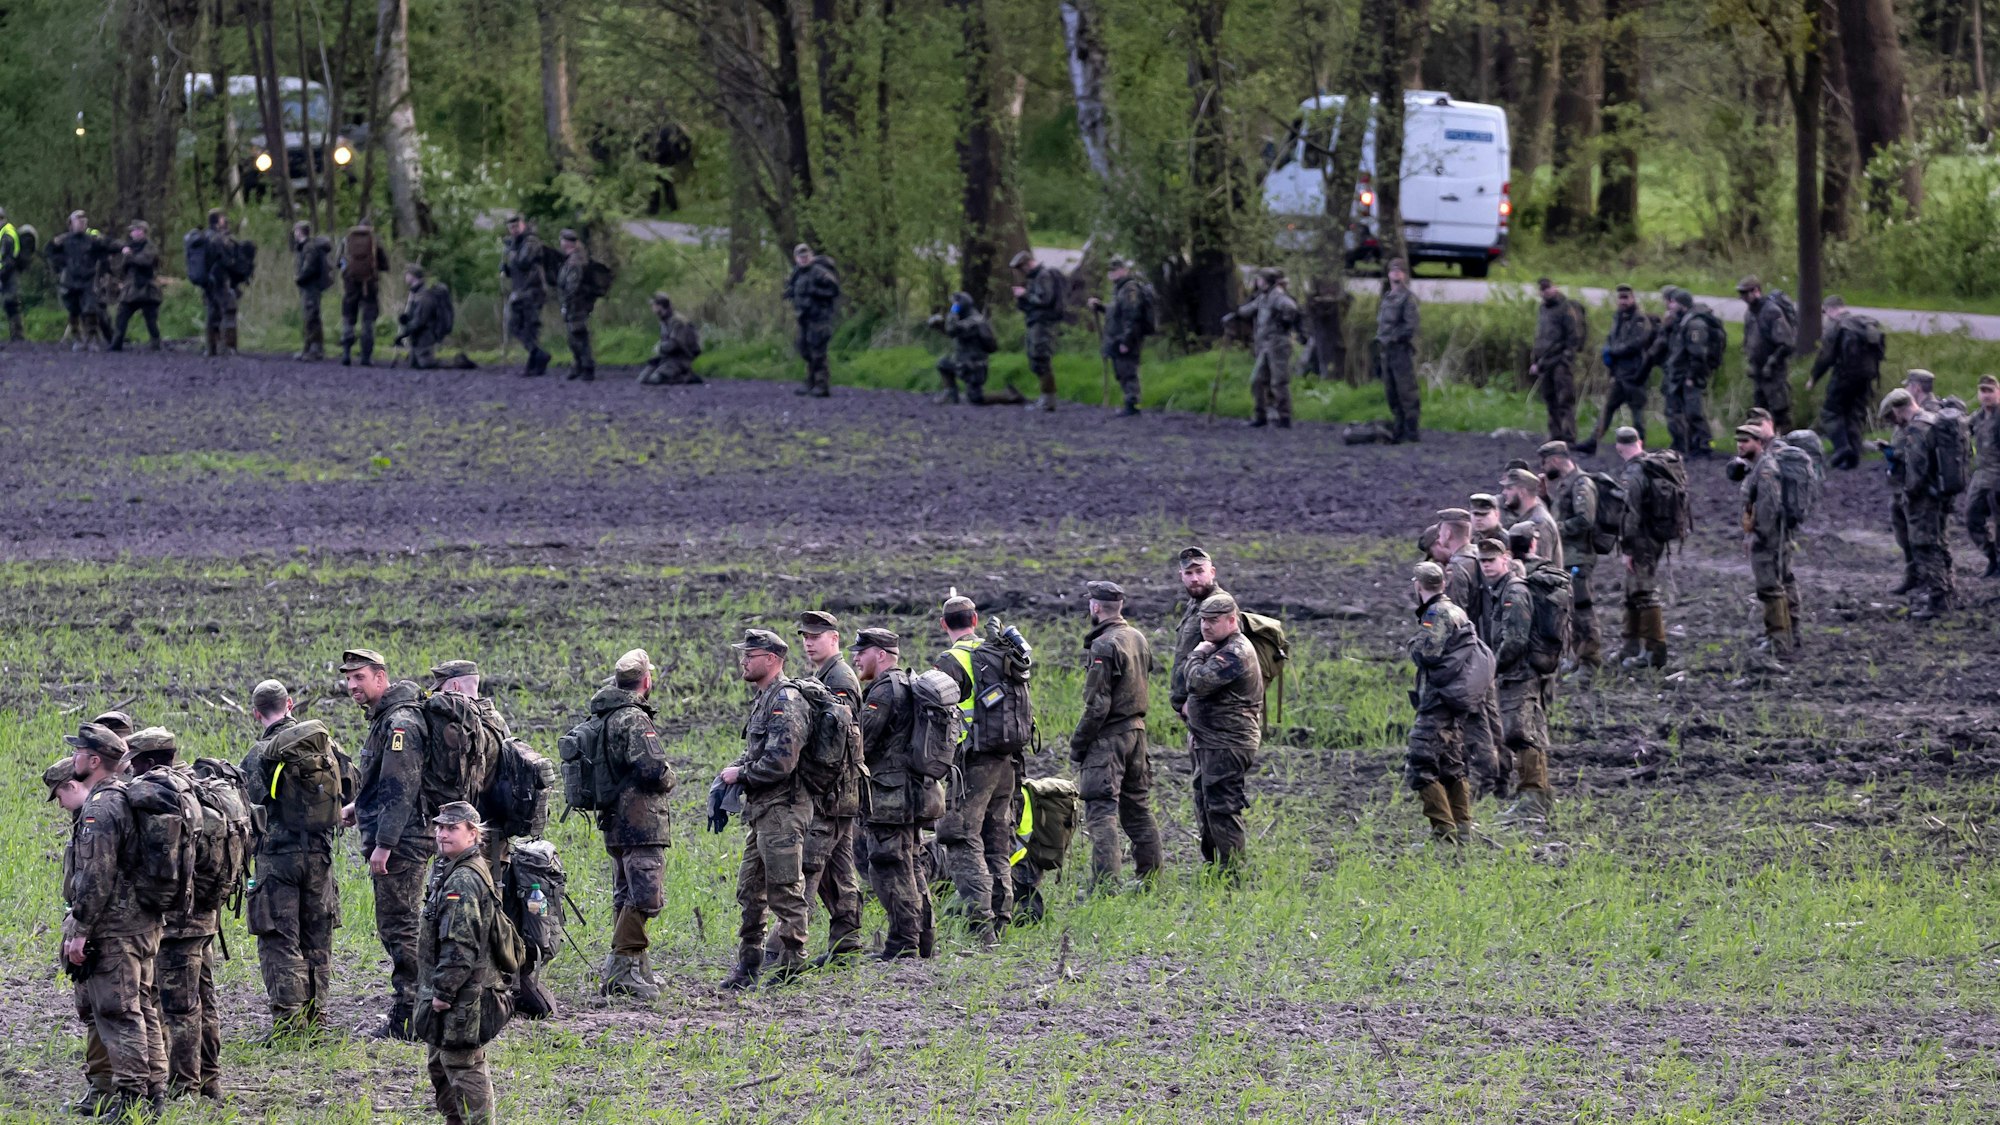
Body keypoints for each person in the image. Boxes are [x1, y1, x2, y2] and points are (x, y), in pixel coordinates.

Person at [62, 722, 168, 1120]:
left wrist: (80, 929)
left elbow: (95, 875)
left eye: (78, 753)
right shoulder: (129, 795)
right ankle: (154, 1092)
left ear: (93, 760)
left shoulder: (102, 806)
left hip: (117, 928)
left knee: (118, 1013)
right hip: (143, 922)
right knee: (142, 1007)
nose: (72, 759)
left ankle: (131, 1100)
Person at [239, 679, 351, 1041]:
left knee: (280, 939)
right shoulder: (325, 745)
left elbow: (247, 805)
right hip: (319, 855)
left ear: (257, 713)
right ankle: (316, 1019)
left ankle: (289, 1025)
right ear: (290, 704)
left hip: (276, 860)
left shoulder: (259, 754)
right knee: (317, 938)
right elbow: (351, 783)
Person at [113, 729, 220, 1103]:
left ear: (147, 760)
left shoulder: (156, 796)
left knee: (179, 1007)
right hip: (207, 911)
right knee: (203, 997)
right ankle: (210, 1079)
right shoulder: (192, 788)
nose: (130, 768)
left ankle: (185, 1087)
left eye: (134, 759)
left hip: (177, 920)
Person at [338, 647, 434, 1040]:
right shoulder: (387, 718)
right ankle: (415, 1008)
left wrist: (385, 843)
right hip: (401, 834)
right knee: (400, 924)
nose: (351, 686)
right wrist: (357, 807)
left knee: (400, 925)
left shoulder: (400, 723)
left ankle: (411, 1015)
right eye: (348, 679)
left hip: (404, 840)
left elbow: (400, 787)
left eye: (359, 677)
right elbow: (380, 781)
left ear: (381, 676)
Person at [718, 629, 813, 989]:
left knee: (786, 890)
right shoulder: (764, 698)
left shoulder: (785, 701)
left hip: (784, 810)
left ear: (772, 659)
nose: (744, 660)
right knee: (749, 889)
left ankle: (791, 965)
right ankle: (749, 964)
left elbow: (780, 762)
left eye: (751, 655)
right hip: (764, 811)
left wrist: (740, 774)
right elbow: (759, 751)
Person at [932, 592, 1022, 941]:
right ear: (975, 620)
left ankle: (980, 925)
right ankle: (1002, 916)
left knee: (960, 837)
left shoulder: (951, 660)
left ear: (944, 625)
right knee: (997, 839)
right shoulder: (1000, 651)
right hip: (1008, 760)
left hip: (972, 762)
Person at [587, 649, 675, 1000]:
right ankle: (620, 971)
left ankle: (638, 969)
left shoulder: (605, 715)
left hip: (616, 821)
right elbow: (653, 770)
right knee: (644, 896)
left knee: (626, 894)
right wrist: (671, 777)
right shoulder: (634, 718)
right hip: (641, 821)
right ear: (646, 680)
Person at [851, 628, 939, 960]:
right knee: (912, 865)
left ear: (882, 655)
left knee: (891, 867)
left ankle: (903, 944)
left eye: (863, 652)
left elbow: (863, 741)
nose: (856, 658)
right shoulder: (906, 683)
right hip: (911, 793)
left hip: (890, 796)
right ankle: (923, 940)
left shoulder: (884, 691)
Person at [418, 802, 506, 1125]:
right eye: (440, 827)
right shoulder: (450, 869)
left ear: (473, 834)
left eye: (451, 828)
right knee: (441, 1065)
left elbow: (461, 946)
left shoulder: (463, 881)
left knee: (464, 1068)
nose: (442, 834)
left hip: (461, 997)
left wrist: (442, 992)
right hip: (453, 994)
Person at [1068, 581, 1159, 887]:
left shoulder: (1104, 645)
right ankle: (1151, 878)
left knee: (1101, 811)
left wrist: (1078, 743)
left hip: (1109, 738)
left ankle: (1105, 886)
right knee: (1138, 808)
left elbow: (1097, 705)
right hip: (1137, 733)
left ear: (1095, 607)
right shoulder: (1137, 637)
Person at [789, 610, 864, 968]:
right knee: (838, 871)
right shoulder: (826, 675)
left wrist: (814, 781)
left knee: (807, 868)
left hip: (831, 792)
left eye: (815, 637)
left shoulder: (840, 678)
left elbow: (835, 740)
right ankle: (846, 944)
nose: (808, 642)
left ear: (834, 639)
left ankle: (788, 949)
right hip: (838, 792)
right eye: (804, 636)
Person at [1181, 591, 1263, 874]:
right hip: (1211, 741)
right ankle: (1215, 865)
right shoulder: (1221, 646)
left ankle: (1232, 874)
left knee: (1222, 808)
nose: (1205, 627)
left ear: (1232, 620)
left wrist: (1196, 654)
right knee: (1206, 805)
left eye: (1213, 621)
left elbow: (1197, 682)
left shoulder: (1235, 652)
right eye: (1203, 621)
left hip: (1228, 743)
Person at [1404, 563, 1477, 844]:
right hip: (1454, 698)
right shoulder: (1458, 610)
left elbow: (1427, 653)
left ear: (1418, 585)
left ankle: (1444, 832)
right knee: (1451, 763)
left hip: (1438, 701)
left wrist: (1414, 644)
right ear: (1443, 584)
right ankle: (1463, 828)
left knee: (1420, 764)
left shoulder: (1437, 614)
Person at [1878, 388, 1953, 619]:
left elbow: (1917, 468)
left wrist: (1909, 492)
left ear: (1901, 408)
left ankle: (1938, 600)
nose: (1894, 422)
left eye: (1893, 415)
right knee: (1938, 543)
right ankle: (1945, 591)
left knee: (1925, 545)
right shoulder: (1929, 422)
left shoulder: (1917, 428)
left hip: (1924, 498)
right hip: (1936, 494)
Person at [1732, 424, 1797, 671]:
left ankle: (1779, 639)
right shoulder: (1755, 468)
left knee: (1770, 588)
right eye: (1739, 441)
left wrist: (1757, 537)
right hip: (1761, 536)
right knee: (1767, 588)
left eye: (1746, 441)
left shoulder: (1766, 470)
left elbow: (1769, 509)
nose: (1741, 445)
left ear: (1759, 443)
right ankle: (1775, 635)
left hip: (1767, 539)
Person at [1805, 295, 1884, 470]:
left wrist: (1814, 378)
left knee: (1830, 413)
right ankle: (1854, 455)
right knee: (1854, 413)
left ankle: (1842, 449)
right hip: (1866, 378)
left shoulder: (1837, 325)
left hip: (1844, 377)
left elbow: (1826, 356)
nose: (1826, 316)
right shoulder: (1863, 323)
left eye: (1825, 312)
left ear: (1831, 309)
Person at [1541, 441, 1601, 670]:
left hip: (1580, 557)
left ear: (1556, 460)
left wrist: (1556, 529)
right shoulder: (1567, 484)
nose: (1545, 468)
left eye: (1546, 462)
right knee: (1571, 610)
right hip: (1568, 557)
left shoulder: (1582, 484)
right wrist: (1545, 498)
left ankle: (1589, 662)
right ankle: (1577, 657)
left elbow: (1585, 520)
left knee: (1583, 611)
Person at [1614, 427, 1670, 669]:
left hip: (1641, 541)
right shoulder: (1652, 465)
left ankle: (1655, 651)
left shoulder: (1634, 472)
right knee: (1633, 591)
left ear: (1618, 446)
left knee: (1644, 592)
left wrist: (1628, 548)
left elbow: (1631, 514)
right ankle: (1631, 645)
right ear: (1640, 441)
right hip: (1655, 537)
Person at [1577, 284, 1654, 454]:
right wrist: (1609, 352)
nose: (1623, 301)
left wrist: (1613, 351)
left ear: (1633, 298)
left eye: (1626, 297)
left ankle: (1640, 446)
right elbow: (1612, 338)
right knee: (1608, 408)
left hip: (1634, 373)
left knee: (1637, 412)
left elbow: (1636, 344)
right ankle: (1593, 441)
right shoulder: (1618, 317)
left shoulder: (1640, 319)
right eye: (1620, 298)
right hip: (1619, 373)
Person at [1228, 268, 1302, 429]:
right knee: (1257, 380)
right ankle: (1260, 415)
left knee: (1278, 382)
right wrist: (1235, 314)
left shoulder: (1277, 296)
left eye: (1260, 279)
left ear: (1268, 281)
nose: (1257, 282)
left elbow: (1291, 308)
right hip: (1265, 346)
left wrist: (1284, 322)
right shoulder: (1263, 297)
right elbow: (1249, 309)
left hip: (1278, 345)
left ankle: (1284, 417)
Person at [1088, 258, 1157, 416]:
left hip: (1127, 338)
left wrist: (1127, 340)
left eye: (1115, 269)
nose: (1112, 273)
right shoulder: (1119, 290)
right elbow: (1116, 313)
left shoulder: (1129, 289)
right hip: (1118, 337)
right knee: (1121, 370)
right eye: (1110, 270)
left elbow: (1132, 317)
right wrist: (1100, 307)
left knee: (1127, 370)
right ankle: (1130, 402)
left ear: (1124, 270)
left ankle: (1133, 404)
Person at [1661, 287, 1724, 459]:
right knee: (1681, 411)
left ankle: (1706, 445)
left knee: (1694, 411)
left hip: (1690, 375)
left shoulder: (1695, 324)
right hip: (1680, 374)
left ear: (1682, 304)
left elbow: (1697, 354)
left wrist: (1691, 376)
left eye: (1674, 303)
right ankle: (1688, 445)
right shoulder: (1683, 321)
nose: (1671, 306)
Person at [927, 292, 1019, 405]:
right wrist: (940, 326)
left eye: (955, 304)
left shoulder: (974, 322)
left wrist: (954, 309)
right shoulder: (973, 320)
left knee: (976, 398)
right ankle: (950, 394)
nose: (953, 306)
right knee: (943, 364)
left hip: (974, 367)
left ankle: (1009, 396)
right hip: (965, 364)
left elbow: (953, 329)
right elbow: (956, 333)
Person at [1169, 547, 1227, 720]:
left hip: (1208, 708)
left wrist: (1195, 704)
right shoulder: (1195, 603)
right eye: (1188, 573)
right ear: (1181, 575)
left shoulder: (1220, 606)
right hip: (1193, 705)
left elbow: (1224, 663)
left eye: (1200, 571)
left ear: (1212, 572)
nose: (1194, 579)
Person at [1528, 277, 1583, 442]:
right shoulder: (1543, 309)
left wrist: (1566, 358)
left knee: (1564, 399)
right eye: (1542, 289)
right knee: (1549, 399)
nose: (1545, 291)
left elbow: (1573, 336)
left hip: (1560, 361)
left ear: (1555, 287)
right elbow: (1541, 336)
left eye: (1548, 288)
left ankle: (1569, 435)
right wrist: (1536, 361)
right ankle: (1555, 434)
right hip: (1544, 362)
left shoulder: (1566, 308)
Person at [1010, 249, 1065, 412]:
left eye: (1021, 268)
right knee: (1035, 357)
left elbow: (1044, 299)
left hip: (1043, 323)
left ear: (1027, 265)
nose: (1021, 272)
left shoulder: (1043, 276)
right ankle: (1045, 396)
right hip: (1035, 322)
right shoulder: (1035, 278)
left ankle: (1049, 399)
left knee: (1041, 357)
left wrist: (1025, 294)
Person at [1739, 276, 1796, 429]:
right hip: (1758, 370)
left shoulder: (1772, 311)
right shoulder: (1750, 313)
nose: (1743, 297)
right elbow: (1748, 340)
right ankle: (1762, 447)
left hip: (1774, 370)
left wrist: (1772, 362)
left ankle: (1784, 445)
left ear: (1756, 291)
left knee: (1780, 410)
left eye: (1746, 293)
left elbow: (1786, 343)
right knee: (1759, 412)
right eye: (1741, 293)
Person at [48, 210, 110, 352]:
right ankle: (77, 339)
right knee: (73, 310)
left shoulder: (91, 240)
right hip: (70, 281)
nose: (81, 222)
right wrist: (62, 264)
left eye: (83, 220)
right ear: (71, 223)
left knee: (90, 309)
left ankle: (91, 338)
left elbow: (105, 251)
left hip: (88, 280)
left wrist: (103, 272)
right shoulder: (64, 240)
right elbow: (49, 251)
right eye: (78, 220)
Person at [785, 243, 842, 397]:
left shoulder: (819, 272)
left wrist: (815, 292)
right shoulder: (797, 273)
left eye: (806, 256)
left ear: (811, 255)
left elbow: (834, 290)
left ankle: (822, 385)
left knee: (818, 351)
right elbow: (793, 289)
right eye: (800, 256)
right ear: (796, 258)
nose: (803, 259)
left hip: (819, 318)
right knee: (804, 349)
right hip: (804, 317)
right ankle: (810, 382)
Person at [1375, 258, 1422, 442]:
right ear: (1388, 274)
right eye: (1393, 270)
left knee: (1407, 392)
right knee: (1391, 392)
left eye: (1399, 270)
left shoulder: (1408, 299)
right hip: (1386, 351)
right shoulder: (1387, 298)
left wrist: (1395, 338)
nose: (1396, 273)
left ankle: (1411, 431)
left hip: (1400, 350)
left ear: (1404, 274)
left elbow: (1410, 327)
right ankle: (1399, 427)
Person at [501, 214, 552, 377]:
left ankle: (535, 361)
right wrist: (506, 269)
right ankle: (537, 355)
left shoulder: (531, 241)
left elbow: (524, 261)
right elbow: (517, 269)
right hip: (521, 290)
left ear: (523, 225)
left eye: (516, 227)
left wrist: (512, 250)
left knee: (530, 326)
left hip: (532, 291)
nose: (513, 230)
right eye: (511, 228)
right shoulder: (518, 243)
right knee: (515, 325)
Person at [339, 220, 390, 367]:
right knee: (368, 322)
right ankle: (366, 357)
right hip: (370, 288)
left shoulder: (346, 240)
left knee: (348, 320)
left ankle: (346, 354)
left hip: (350, 287)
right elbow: (385, 265)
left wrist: (347, 272)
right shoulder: (375, 241)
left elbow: (339, 262)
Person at [109, 221, 163, 352]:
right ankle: (116, 343)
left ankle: (155, 343)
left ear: (143, 231)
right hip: (130, 289)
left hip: (147, 289)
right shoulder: (129, 246)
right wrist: (123, 250)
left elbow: (144, 261)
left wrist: (128, 255)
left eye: (136, 230)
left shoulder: (150, 247)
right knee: (121, 316)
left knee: (151, 319)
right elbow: (117, 261)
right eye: (132, 230)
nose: (133, 233)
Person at [1500, 466, 1564, 574]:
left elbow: (1541, 568)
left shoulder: (1539, 523)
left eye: (1509, 488)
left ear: (1522, 492)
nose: (1504, 493)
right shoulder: (1528, 517)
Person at [195, 209, 242, 357]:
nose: (225, 220)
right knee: (229, 310)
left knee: (211, 313)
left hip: (208, 282)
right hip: (221, 280)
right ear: (217, 221)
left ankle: (211, 347)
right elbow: (227, 261)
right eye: (223, 218)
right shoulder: (219, 239)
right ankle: (227, 347)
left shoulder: (204, 237)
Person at [1967, 375, 2000, 579]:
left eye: (1990, 390)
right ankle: (1992, 558)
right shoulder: (1977, 417)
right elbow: (1961, 429)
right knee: (1971, 517)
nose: (1986, 395)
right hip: (1981, 477)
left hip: (1999, 477)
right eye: (1982, 391)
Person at [555, 230, 596, 381]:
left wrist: (566, 303)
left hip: (576, 305)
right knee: (574, 336)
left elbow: (572, 286)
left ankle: (586, 367)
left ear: (566, 243)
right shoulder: (573, 259)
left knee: (578, 335)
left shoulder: (575, 262)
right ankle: (579, 365)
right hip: (575, 304)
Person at [638, 291, 703, 385]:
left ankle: (687, 377)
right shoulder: (664, 321)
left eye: (653, 305)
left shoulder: (678, 321)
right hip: (667, 357)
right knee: (643, 379)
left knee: (655, 379)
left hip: (680, 359)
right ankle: (673, 373)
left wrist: (660, 348)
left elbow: (674, 344)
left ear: (660, 306)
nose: (652, 308)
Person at [397, 265, 452, 370]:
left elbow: (420, 321)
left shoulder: (424, 296)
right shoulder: (415, 293)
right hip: (417, 338)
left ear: (413, 276)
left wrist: (404, 333)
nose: (405, 276)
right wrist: (406, 319)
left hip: (425, 337)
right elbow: (414, 317)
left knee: (425, 365)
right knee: (413, 364)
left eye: (407, 274)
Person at [293, 221, 335, 361]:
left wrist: (299, 278)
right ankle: (312, 348)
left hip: (311, 287)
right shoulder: (307, 247)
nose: (294, 233)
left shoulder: (309, 248)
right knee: (311, 317)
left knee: (311, 317)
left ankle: (313, 349)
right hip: (310, 286)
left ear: (300, 231)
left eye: (296, 230)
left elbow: (309, 267)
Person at [0, 205, 25, 342]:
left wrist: (1, 275)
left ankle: (18, 336)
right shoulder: (4, 232)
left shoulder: (7, 234)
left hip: (9, 274)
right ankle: (15, 336)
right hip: (7, 273)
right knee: (9, 303)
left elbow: (8, 260)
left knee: (11, 303)